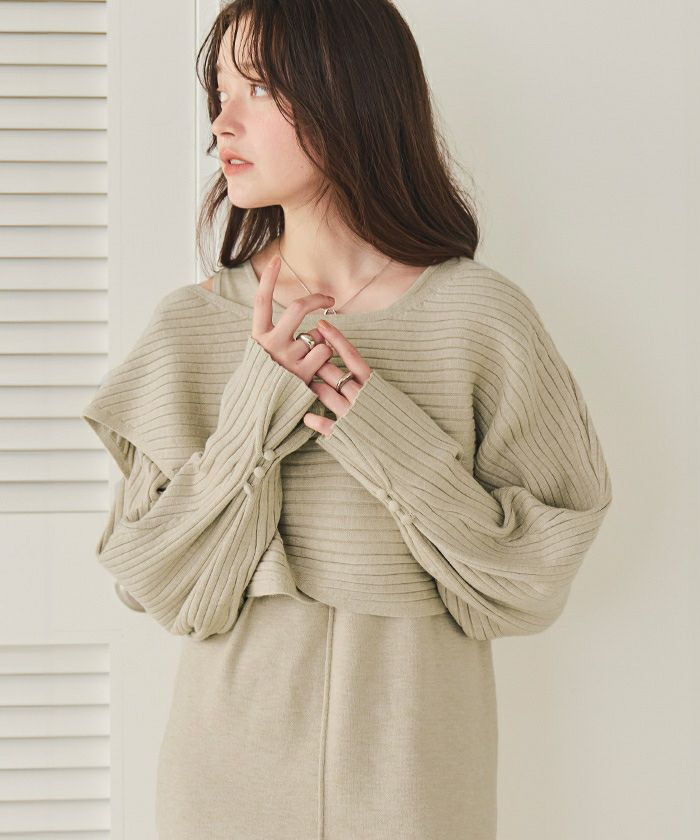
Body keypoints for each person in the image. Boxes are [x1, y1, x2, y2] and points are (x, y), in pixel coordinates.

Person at [81, 1, 613, 838]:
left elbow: (529, 584)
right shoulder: (192, 326)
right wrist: (255, 412)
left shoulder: (481, 320)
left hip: (415, 775)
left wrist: (392, 443)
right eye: (220, 90)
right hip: (225, 776)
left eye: (259, 88)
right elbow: (154, 584)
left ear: (351, 92)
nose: (222, 121)